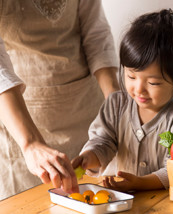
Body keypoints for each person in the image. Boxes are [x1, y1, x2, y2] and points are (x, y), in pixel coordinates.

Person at [72, 8, 173, 191]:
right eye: (131, 76)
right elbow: (103, 142)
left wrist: (141, 183)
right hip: (112, 199)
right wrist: (87, 158)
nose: (138, 89)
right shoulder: (115, 105)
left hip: (158, 205)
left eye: (153, 83)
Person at [0, 0, 119, 200]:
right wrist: (30, 143)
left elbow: (96, 35)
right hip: (20, 121)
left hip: (85, 112)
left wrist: (116, 102)